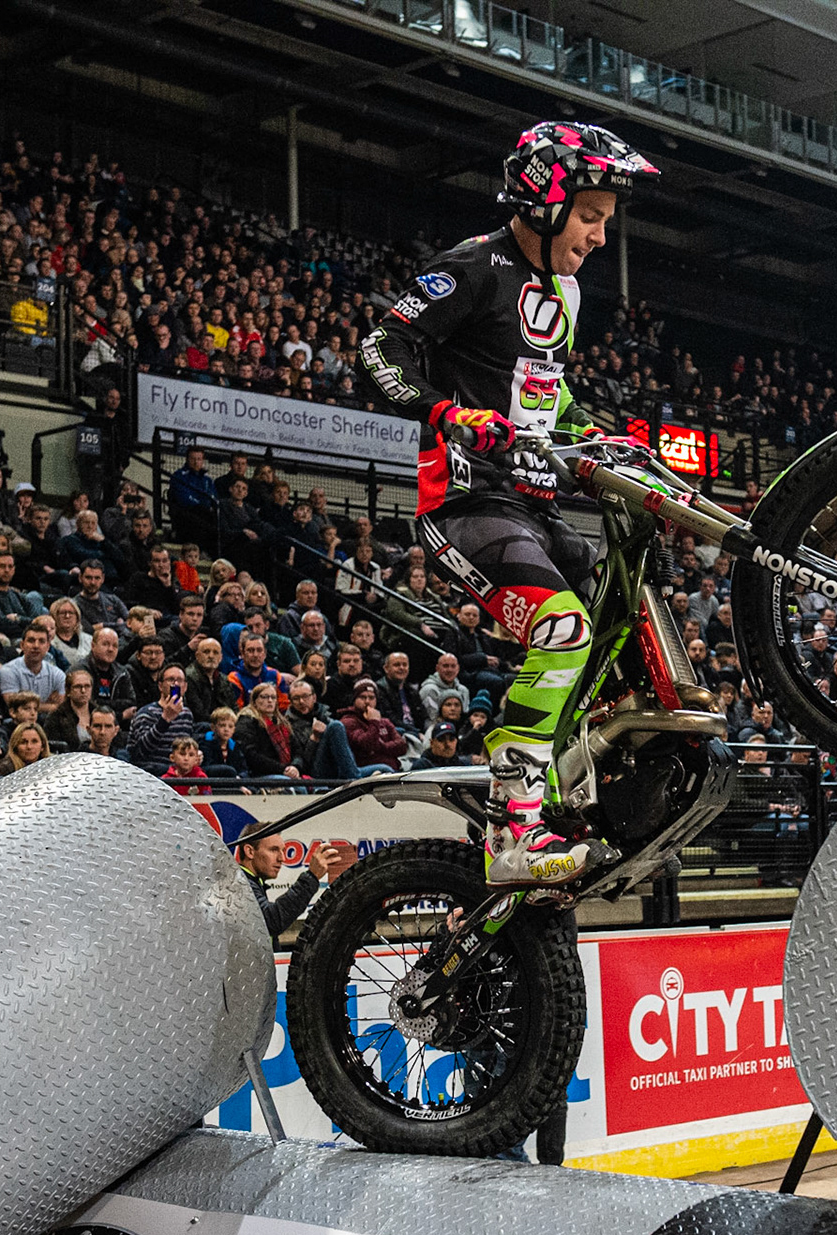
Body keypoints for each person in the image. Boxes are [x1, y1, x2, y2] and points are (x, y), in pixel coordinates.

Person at [360, 121, 658, 884]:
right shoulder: (471, 268)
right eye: (591, 216)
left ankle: (573, 785)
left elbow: (548, 403)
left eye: (605, 221)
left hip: (538, 507)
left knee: (623, 617)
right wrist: (451, 415)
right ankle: (513, 831)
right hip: (464, 506)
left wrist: (606, 442)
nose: (598, 236)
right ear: (547, 198)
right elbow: (378, 351)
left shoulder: (567, 290)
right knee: (562, 630)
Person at [229, 822, 346, 937]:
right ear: (250, 851)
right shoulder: (237, 884)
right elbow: (271, 921)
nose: (282, 858)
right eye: (274, 850)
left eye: (283, 851)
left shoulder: (251, 882)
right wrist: (311, 877)